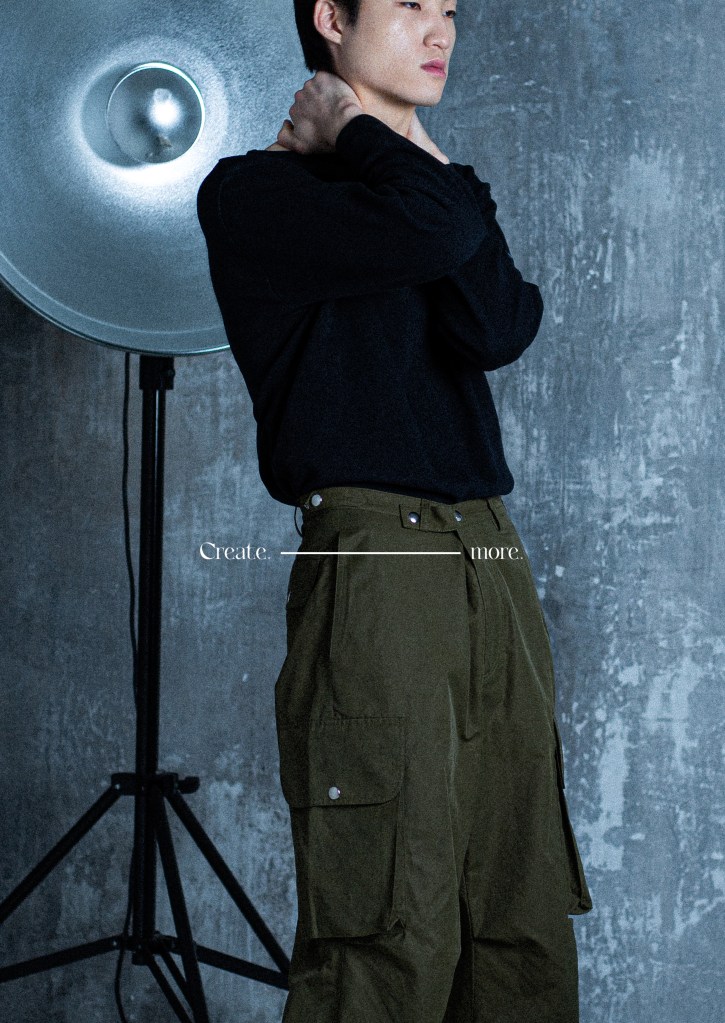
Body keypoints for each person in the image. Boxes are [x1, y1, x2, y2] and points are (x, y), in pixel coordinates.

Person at [196, 1, 594, 1020]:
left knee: (518, 911)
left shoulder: (425, 194)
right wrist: (360, 135)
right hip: (378, 559)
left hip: (489, 557)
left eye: (449, 9)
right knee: (389, 923)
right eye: (409, 4)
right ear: (329, 18)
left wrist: (381, 138)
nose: (440, 31)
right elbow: (441, 226)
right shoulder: (255, 196)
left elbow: (501, 325)